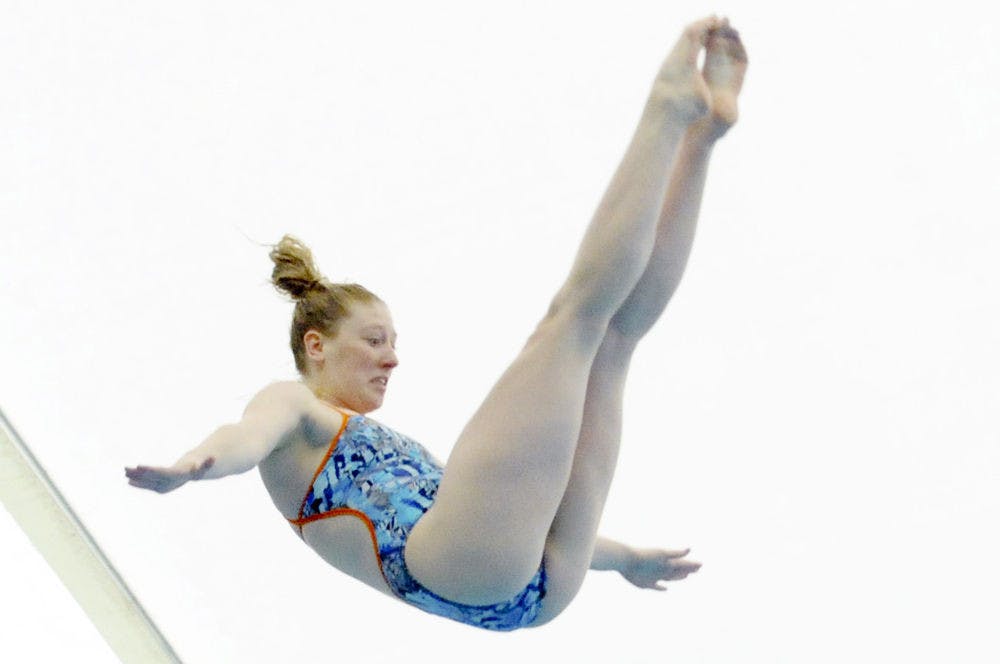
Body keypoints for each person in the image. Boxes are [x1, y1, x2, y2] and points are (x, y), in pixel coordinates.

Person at [126, 15, 747, 631]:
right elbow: (244, 437)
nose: (391, 359)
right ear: (315, 346)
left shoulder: (376, 446)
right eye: (373, 341)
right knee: (572, 323)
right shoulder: (292, 406)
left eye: (392, 343)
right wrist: (191, 465)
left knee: (614, 340)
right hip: (464, 570)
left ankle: (702, 138)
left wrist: (626, 560)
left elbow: (519, 507)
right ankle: (667, 113)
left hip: (533, 580)